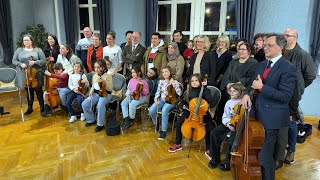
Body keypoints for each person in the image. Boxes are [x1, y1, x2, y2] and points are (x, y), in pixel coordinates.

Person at [240, 33, 297, 180]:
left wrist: (262, 87)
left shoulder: (288, 68)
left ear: (281, 47)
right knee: (254, 150)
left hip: (272, 118)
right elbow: (252, 83)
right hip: (256, 114)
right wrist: (247, 93)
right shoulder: (262, 64)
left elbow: (285, 96)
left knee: (265, 156)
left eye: (269, 45)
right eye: (264, 45)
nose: (265, 48)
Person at [274, 28, 316, 169]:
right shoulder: (280, 52)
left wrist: (300, 86)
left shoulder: (303, 55)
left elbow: (310, 76)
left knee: (291, 122)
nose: (284, 37)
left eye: (288, 35)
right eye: (283, 34)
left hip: (292, 94)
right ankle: (278, 149)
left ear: (295, 37)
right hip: (278, 91)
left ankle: (291, 150)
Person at [168, 73, 214, 153]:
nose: (194, 82)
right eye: (192, 81)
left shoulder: (206, 90)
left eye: (196, 80)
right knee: (179, 122)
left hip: (202, 113)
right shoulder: (189, 90)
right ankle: (178, 143)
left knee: (209, 127)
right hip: (190, 111)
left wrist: (205, 88)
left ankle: (209, 148)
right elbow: (183, 101)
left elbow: (210, 100)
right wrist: (182, 104)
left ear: (200, 81)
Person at [215, 42, 258, 125]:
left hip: (242, 93)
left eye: (243, 49)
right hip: (229, 91)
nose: (240, 51)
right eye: (239, 49)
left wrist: (236, 85)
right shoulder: (233, 62)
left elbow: (250, 78)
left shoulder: (254, 63)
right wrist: (228, 84)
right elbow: (226, 75)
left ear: (249, 51)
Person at [208, 83, 245, 171]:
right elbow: (225, 116)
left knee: (232, 141)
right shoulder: (229, 102)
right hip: (230, 123)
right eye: (230, 91)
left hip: (240, 126)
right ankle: (215, 158)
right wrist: (228, 123)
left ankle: (228, 163)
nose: (231, 93)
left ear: (240, 92)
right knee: (214, 132)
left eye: (234, 91)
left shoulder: (245, 102)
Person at [12, 34, 46, 115]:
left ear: (31, 41)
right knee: (28, 91)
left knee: (38, 91)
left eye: (28, 40)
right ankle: (30, 108)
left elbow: (43, 61)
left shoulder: (38, 50)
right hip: (25, 74)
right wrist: (21, 64)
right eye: (24, 40)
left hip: (37, 74)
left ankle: (42, 108)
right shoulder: (19, 50)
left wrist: (35, 62)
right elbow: (14, 60)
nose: (26, 42)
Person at [149, 66, 182, 140]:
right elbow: (158, 92)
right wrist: (156, 99)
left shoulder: (175, 82)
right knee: (151, 110)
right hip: (162, 100)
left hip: (171, 101)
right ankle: (156, 123)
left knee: (164, 110)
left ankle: (163, 131)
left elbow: (179, 93)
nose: (164, 73)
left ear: (170, 72)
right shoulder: (161, 82)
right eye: (163, 72)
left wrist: (174, 84)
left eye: (166, 71)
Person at [82, 60, 113, 132]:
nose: (96, 69)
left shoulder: (108, 76)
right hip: (96, 93)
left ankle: (100, 124)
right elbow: (93, 85)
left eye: (98, 67)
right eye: (95, 67)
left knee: (100, 105)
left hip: (106, 94)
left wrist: (104, 82)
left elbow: (110, 89)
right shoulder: (95, 75)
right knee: (85, 104)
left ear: (103, 67)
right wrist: (91, 90)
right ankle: (91, 120)